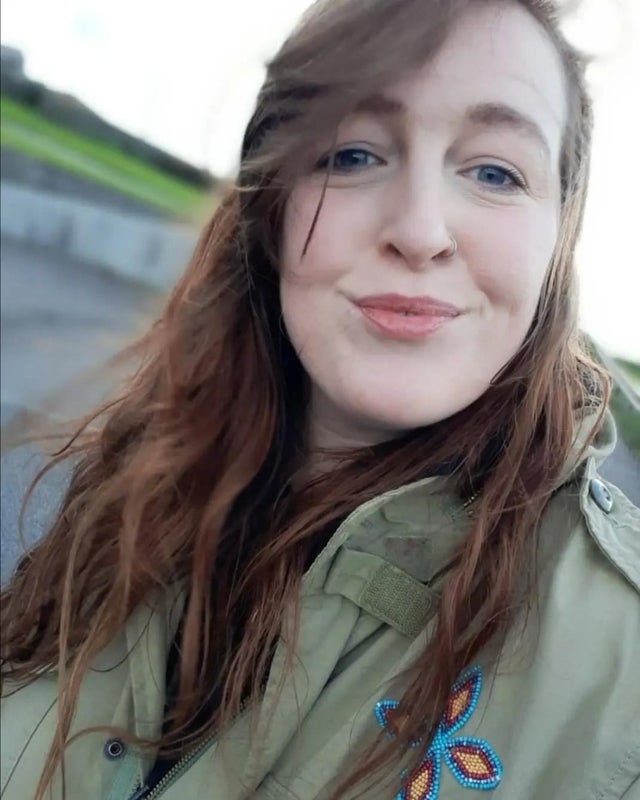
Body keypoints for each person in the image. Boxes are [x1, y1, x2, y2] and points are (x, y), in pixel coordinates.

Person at [1, 0, 639, 798]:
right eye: (353, 155)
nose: (420, 230)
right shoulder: (140, 482)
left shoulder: (624, 679)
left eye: (495, 173)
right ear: (273, 204)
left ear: (558, 236)